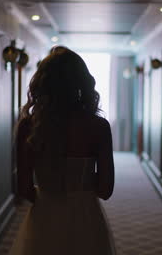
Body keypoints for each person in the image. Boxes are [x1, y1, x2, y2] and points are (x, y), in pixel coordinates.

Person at [10, 46, 116, 255]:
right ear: (82, 83)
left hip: (45, 214)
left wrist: (49, 192)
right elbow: (105, 189)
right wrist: (80, 183)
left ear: (42, 83)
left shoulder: (28, 126)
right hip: (85, 216)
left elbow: (23, 188)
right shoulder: (98, 127)